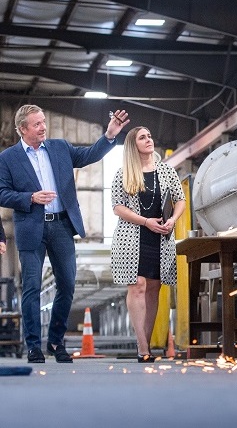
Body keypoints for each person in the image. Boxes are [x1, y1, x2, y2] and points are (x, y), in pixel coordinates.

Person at [0, 105, 128, 363]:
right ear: (23, 129)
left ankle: (56, 342)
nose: (43, 127)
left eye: (44, 121)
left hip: (61, 226)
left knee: (67, 285)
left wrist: (110, 136)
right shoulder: (8, 158)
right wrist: (30, 197)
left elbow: (89, 155)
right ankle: (34, 346)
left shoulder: (60, 147)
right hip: (30, 227)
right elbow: (1, 192)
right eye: (37, 124)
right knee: (32, 288)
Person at [110, 126, 185, 363]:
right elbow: (118, 207)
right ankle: (143, 347)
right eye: (143, 137)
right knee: (138, 286)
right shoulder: (124, 173)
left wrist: (172, 220)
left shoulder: (166, 171)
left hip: (160, 237)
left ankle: (147, 343)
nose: (149, 140)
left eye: (150, 136)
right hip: (132, 237)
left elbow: (180, 199)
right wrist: (145, 222)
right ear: (134, 145)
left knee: (154, 287)